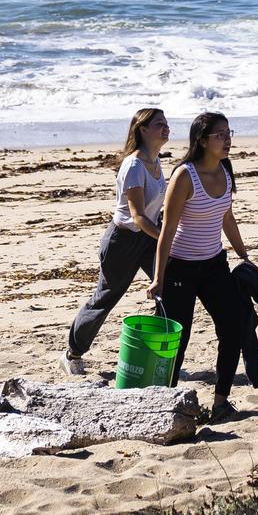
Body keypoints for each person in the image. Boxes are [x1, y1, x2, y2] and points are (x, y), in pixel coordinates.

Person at [144, 111, 256, 421]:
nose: (227, 139)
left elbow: (227, 217)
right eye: (220, 134)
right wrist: (158, 278)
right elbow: (167, 231)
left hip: (214, 266)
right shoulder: (185, 175)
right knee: (178, 339)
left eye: (228, 132)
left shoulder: (225, 170)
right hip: (181, 267)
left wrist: (244, 255)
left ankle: (221, 402)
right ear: (202, 140)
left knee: (233, 327)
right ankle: (165, 405)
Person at [63, 108, 171, 375]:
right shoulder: (134, 166)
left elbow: (156, 211)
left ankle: (154, 353)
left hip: (148, 238)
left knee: (169, 290)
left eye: (166, 124)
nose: (166, 128)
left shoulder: (156, 161)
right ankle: (72, 353)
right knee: (106, 298)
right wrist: (167, 239)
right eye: (159, 124)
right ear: (143, 130)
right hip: (122, 241)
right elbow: (137, 215)